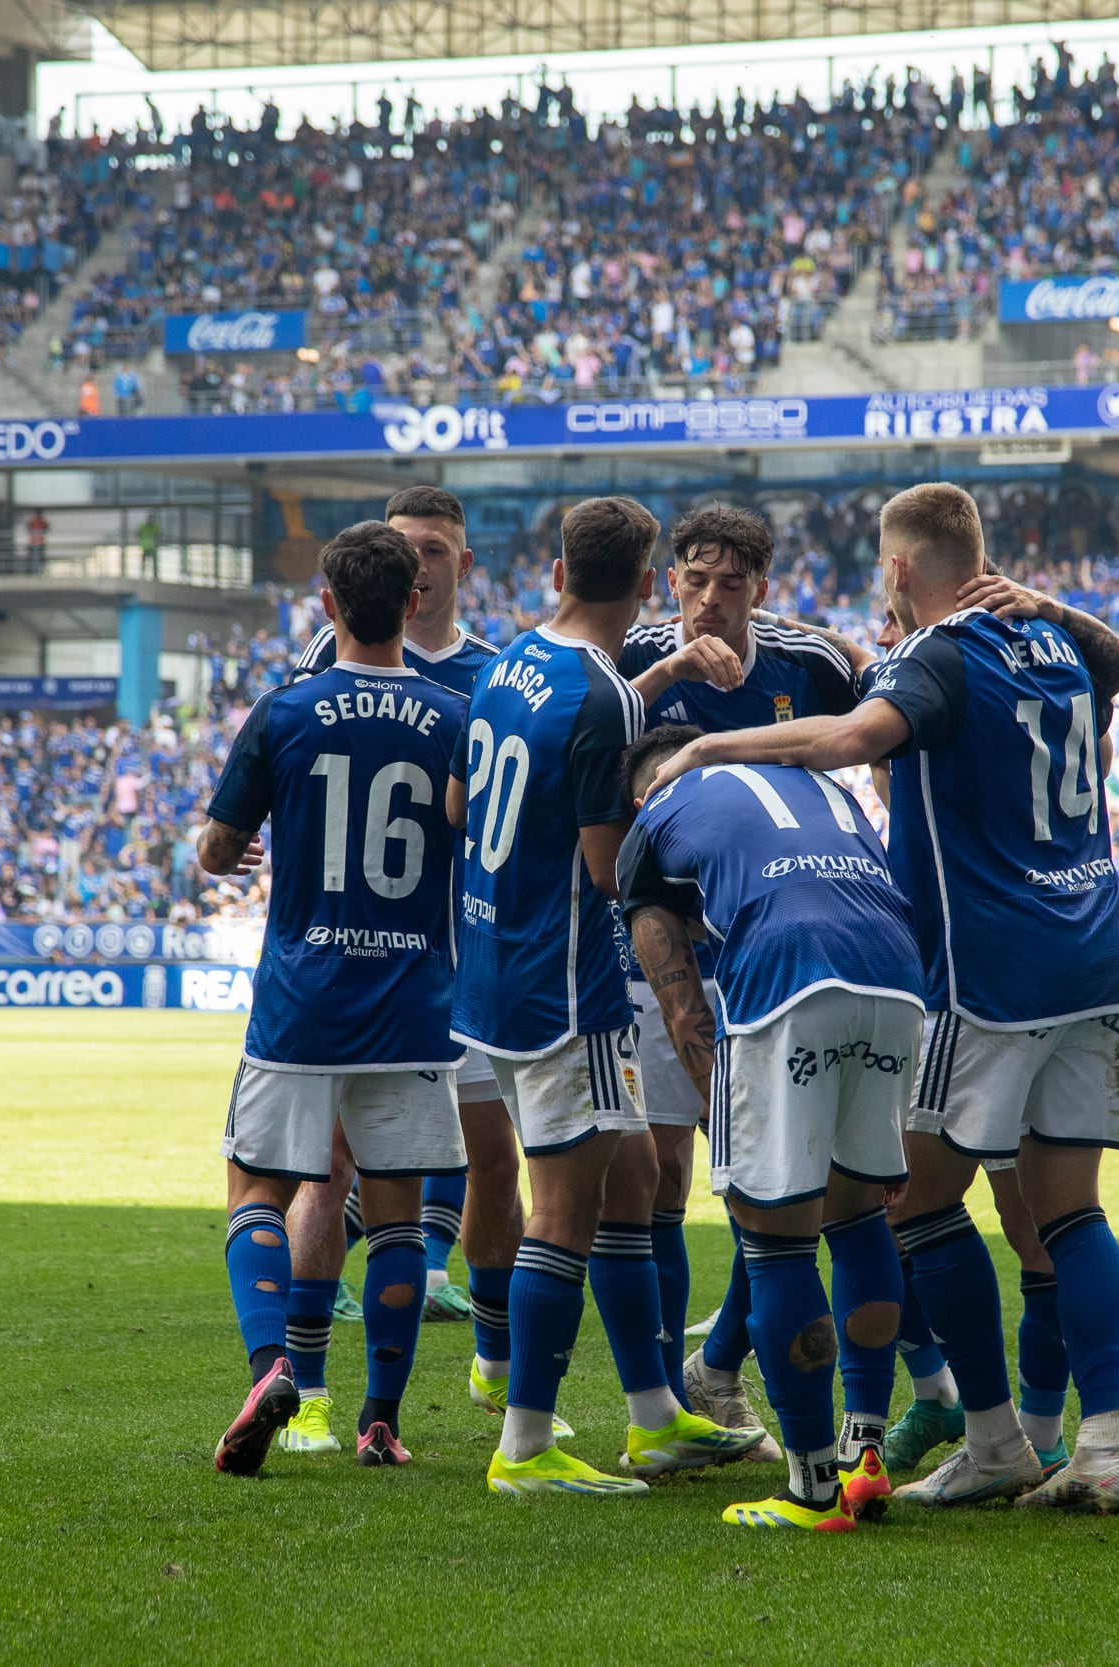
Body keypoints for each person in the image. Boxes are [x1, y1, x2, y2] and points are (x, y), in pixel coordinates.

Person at [642, 481, 1119, 1514]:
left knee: (906, 1199)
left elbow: (841, 742)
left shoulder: (934, 654)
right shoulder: (1052, 644)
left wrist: (705, 747)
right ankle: (1102, 1448)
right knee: (1071, 1209)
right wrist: (1048, 603)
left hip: (987, 967)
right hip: (1098, 955)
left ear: (899, 571)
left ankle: (996, 1436)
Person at [451, 494, 760, 1497]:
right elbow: (604, 866)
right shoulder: (605, 701)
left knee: (629, 1182)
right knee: (565, 1213)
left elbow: (461, 804)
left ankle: (656, 1420)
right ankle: (526, 1444)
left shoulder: (504, 664)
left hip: (491, 967)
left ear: (554, 572)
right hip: (567, 987)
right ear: (644, 586)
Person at [199, 521, 471, 1475]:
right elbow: (465, 836)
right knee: (397, 1213)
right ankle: (380, 1420)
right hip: (410, 1000)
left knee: (256, 1188)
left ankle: (274, 1364)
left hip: (302, 1000)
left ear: (326, 603)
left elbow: (216, 849)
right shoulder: (453, 718)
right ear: (412, 601)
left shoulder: (283, 711)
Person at [618, 724, 925, 1530]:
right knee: (859, 1217)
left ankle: (811, 1487)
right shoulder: (824, 786)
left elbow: (680, 1001)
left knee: (775, 1236)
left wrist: (728, 1116)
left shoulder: (654, 815)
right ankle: (866, 1455)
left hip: (791, 977)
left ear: (646, 787)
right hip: (897, 973)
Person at [277, 486, 526, 1458]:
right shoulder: (322, 661)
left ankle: (499, 1362)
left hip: (463, 964)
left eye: (436, 548)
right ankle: (314, 1389)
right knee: (337, 1165)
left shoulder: (497, 675)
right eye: (404, 546)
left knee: (492, 1160)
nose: (418, 563)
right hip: (355, 971)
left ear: (465, 566)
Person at [615, 504, 860, 1452]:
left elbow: (889, 717)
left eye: (731, 584)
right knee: (667, 1173)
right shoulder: (639, 655)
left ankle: (712, 1369)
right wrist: (668, 670)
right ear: (672, 578)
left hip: (777, 950)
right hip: (655, 947)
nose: (709, 601)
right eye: (693, 580)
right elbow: (584, 738)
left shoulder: (812, 664)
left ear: (762, 587)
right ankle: (677, 1402)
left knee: (780, 1172)